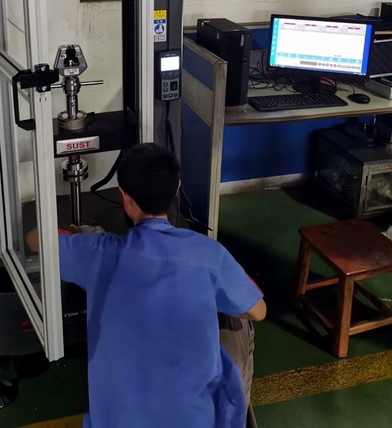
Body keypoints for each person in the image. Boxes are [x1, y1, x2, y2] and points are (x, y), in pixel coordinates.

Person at [28, 143, 265, 428]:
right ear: (176, 189)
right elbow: (259, 310)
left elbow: (36, 239)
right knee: (237, 317)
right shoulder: (209, 254)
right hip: (197, 419)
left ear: (124, 197)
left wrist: (80, 237)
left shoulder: (97, 253)